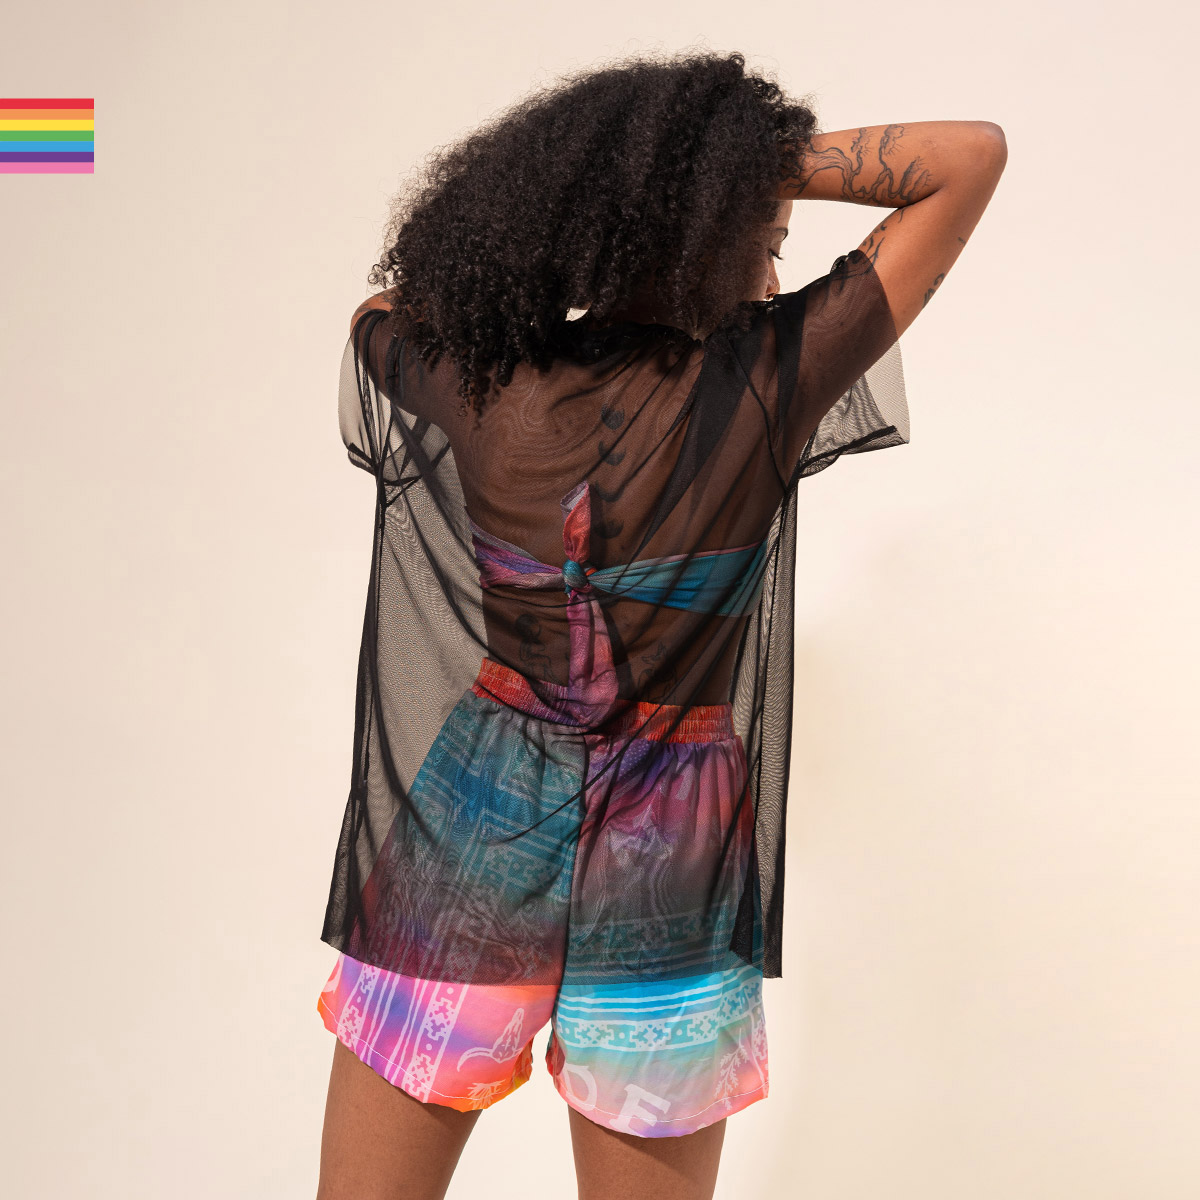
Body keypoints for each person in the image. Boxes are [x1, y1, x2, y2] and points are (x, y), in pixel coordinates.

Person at [314, 49, 1007, 1200]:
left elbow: (377, 314)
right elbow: (968, 158)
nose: (773, 261)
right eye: (762, 233)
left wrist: (602, 188)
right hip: (671, 850)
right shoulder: (770, 374)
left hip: (474, 818)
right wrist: (725, 168)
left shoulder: (481, 380)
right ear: (697, 227)